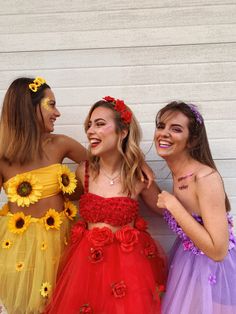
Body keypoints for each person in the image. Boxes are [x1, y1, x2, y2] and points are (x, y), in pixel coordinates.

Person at [45, 96, 167, 314]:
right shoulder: (84, 171)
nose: (91, 130)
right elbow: (60, 199)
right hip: (85, 268)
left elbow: (166, 209)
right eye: (89, 125)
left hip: (129, 270)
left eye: (100, 124)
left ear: (123, 131)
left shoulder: (138, 177)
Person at [0, 77, 88, 314]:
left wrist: (136, 164)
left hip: (62, 242)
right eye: (51, 104)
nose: (57, 112)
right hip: (19, 248)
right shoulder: (3, 154)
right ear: (29, 108)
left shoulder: (60, 144)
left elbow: (104, 166)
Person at [155, 101, 236, 314]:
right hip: (187, 264)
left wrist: (173, 205)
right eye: (161, 126)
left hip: (214, 272)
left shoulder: (204, 177)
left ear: (192, 140)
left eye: (176, 129)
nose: (163, 133)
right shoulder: (178, 172)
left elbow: (218, 251)